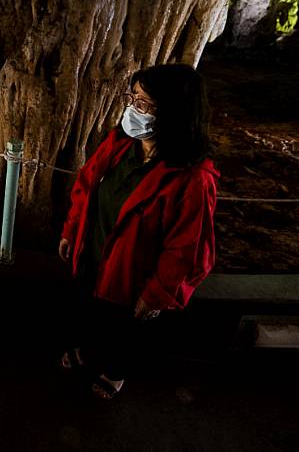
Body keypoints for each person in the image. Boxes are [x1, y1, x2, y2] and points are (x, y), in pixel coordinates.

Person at [58, 63, 219, 399]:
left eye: (145, 104)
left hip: (132, 275)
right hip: (94, 253)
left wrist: (157, 293)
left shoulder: (190, 180)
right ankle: (88, 350)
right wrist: (72, 230)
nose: (133, 110)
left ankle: (114, 372)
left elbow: (185, 248)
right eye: (132, 98)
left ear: (173, 112)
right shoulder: (121, 144)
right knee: (90, 311)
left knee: (123, 328)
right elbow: (87, 185)